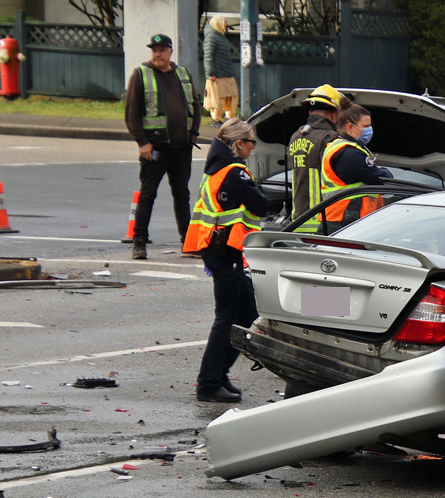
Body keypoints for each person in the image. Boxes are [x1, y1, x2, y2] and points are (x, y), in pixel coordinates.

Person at [183, 119, 267, 403]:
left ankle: (219, 374)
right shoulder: (233, 171)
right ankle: (208, 383)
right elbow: (259, 204)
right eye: (251, 142)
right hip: (224, 250)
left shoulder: (216, 167)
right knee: (227, 318)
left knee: (246, 314)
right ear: (238, 143)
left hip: (222, 249)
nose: (254, 148)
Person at [124, 33, 202, 260]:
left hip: (181, 148)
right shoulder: (141, 74)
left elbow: (196, 106)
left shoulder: (183, 74)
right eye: (154, 50)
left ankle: (187, 242)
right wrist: (142, 142)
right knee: (147, 195)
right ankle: (139, 243)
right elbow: (131, 113)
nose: (157, 54)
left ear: (170, 52)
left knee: (182, 196)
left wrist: (193, 134)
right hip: (154, 149)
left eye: (161, 50)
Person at [316, 102, 393, 228]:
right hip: (345, 220)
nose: (369, 130)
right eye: (366, 126)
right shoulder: (350, 154)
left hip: (337, 219)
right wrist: (383, 171)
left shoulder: (336, 146)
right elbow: (381, 178)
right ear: (351, 127)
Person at [287, 84, 345, 223]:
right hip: (322, 219)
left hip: (299, 218)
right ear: (335, 114)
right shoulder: (331, 138)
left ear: (310, 112)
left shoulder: (296, 136)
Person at [202, 16, 238, 127]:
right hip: (217, 75)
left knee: (232, 95)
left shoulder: (220, 36)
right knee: (218, 99)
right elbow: (208, 56)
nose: (226, 24)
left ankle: (230, 118)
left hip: (226, 73)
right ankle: (216, 120)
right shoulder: (211, 37)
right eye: (224, 22)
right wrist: (210, 73)